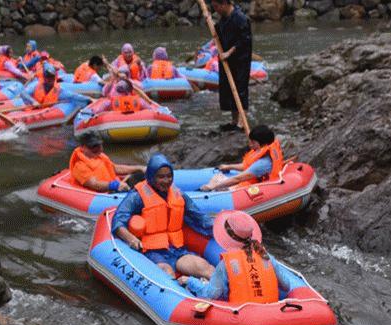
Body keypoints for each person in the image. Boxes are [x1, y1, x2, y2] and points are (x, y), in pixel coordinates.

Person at [111, 154, 216, 279]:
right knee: (167, 273)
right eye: (161, 177)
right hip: (152, 251)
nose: (166, 181)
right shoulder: (137, 196)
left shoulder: (178, 194)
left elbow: (199, 217)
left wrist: (219, 227)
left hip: (176, 249)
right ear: (151, 176)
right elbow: (118, 221)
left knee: (203, 267)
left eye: (169, 176)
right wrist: (131, 239)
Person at [180, 210, 294, 303]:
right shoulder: (265, 256)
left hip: (242, 315)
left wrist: (190, 281)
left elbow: (211, 295)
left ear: (228, 236)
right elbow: (286, 285)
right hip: (271, 310)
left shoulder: (225, 264)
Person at [201, 125, 283, 191]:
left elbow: (237, 179)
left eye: (253, 142)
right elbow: (246, 166)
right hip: (254, 180)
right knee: (217, 177)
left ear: (262, 143)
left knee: (217, 181)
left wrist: (213, 187)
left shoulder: (262, 164)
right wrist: (229, 166)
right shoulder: (266, 149)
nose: (250, 144)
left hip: (253, 188)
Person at [211, 0, 252, 132]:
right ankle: (234, 120)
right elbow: (219, 36)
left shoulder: (240, 18)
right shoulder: (223, 20)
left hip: (240, 59)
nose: (215, 10)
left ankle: (242, 122)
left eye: (216, 7)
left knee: (240, 89)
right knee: (228, 89)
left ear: (224, 4)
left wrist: (229, 52)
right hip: (226, 60)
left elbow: (245, 40)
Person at [69, 131, 145, 192]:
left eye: (99, 145)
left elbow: (115, 168)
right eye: (93, 146)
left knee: (140, 175)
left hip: (114, 186)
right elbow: (95, 184)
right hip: (105, 193)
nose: (97, 149)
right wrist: (115, 185)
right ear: (82, 148)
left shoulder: (100, 156)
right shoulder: (79, 166)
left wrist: (139, 168)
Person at [20, 63, 91, 108]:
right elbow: (23, 93)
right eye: (48, 77)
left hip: (47, 111)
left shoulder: (58, 90)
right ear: (44, 77)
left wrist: (89, 99)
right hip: (32, 109)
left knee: (73, 98)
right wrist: (33, 102)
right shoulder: (36, 84)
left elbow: (73, 95)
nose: (50, 80)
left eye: (52, 78)